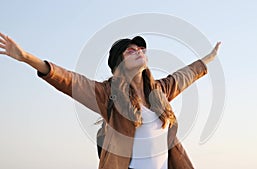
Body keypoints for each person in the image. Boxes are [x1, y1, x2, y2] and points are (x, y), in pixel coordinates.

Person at [0, 32, 221, 169]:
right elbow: (69, 80)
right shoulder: (108, 94)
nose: (139, 52)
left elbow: (185, 75)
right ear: (118, 63)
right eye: (131, 50)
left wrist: (209, 57)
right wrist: (26, 57)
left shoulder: (159, 92)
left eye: (141, 49)